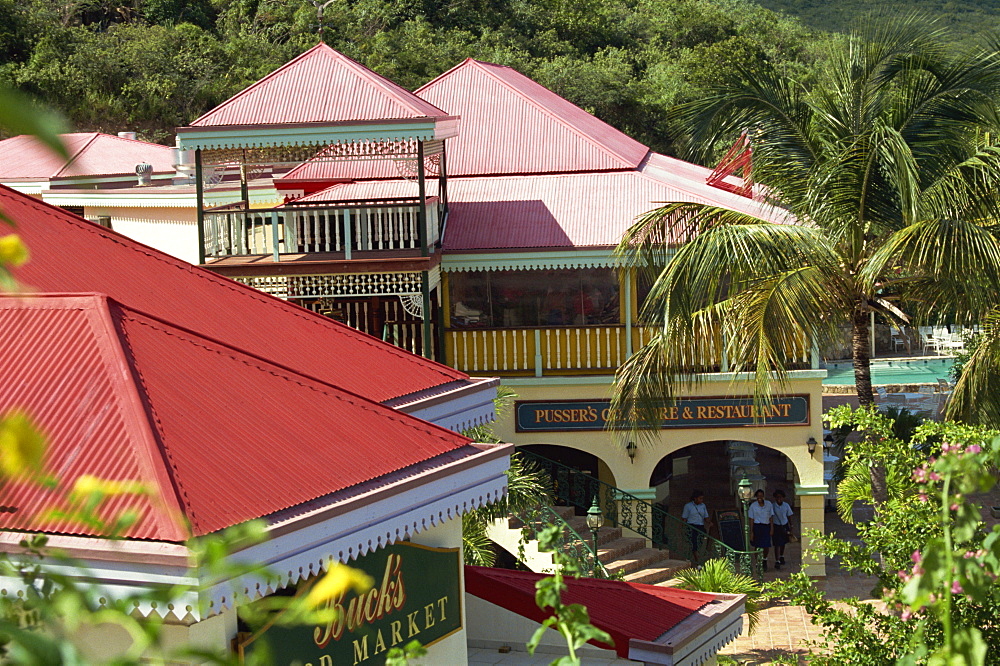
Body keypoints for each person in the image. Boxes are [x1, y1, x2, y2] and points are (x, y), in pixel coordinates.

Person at [747, 489, 774, 571]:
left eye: (761, 496)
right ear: (756, 497)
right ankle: (757, 562)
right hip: (757, 526)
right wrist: (751, 532)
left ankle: (764, 559)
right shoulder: (753, 506)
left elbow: (771, 517)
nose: (760, 498)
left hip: (766, 526)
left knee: (766, 545)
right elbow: (751, 519)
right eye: (758, 496)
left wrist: (772, 528)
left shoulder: (769, 504)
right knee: (757, 545)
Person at [681, 490, 711, 564]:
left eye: (702, 498)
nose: (701, 500)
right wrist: (683, 527)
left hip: (700, 525)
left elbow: (706, 516)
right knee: (694, 541)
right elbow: (684, 518)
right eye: (700, 498)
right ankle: (696, 558)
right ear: (695, 498)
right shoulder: (688, 506)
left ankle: (698, 553)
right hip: (692, 526)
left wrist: (710, 522)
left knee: (701, 540)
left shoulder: (703, 506)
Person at [772, 490, 794, 570]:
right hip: (776, 526)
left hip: (784, 526)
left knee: (783, 543)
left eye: (780, 497)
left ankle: (782, 556)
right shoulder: (772, 506)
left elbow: (789, 516)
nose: (779, 499)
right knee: (777, 544)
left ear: (783, 498)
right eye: (777, 497)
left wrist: (791, 526)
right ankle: (777, 560)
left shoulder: (786, 506)